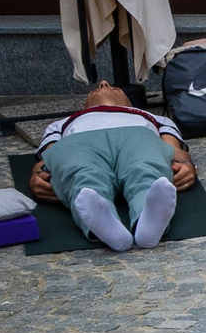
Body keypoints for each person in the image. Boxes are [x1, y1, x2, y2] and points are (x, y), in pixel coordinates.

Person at [27, 84, 197, 251]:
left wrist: (187, 165)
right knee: (82, 176)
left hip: (137, 136)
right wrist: (37, 175)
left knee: (146, 169)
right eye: (94, 89)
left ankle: (148, 224)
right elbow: (51, 155)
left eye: (116, 87)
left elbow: (174, 149)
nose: (103, 83)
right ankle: (108, 229)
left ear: (130, 103)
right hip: (78, 143)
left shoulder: (154, 118)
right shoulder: (61, 124)